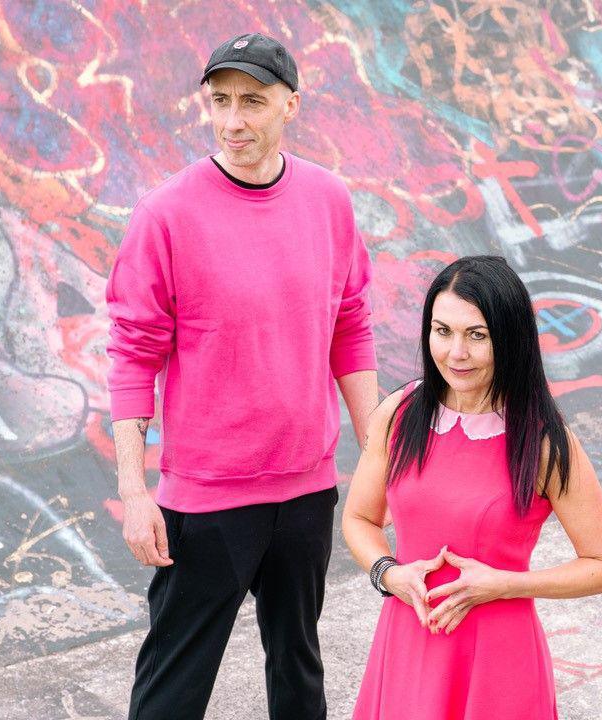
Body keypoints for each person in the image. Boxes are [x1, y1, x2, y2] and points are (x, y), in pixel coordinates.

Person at [105, 32, 377, 720]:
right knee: (173, 686)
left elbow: (350, 326)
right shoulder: (165, 214)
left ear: (291, 105)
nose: (233, 120)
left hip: (307, 489)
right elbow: (133, 357)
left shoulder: (328, 200)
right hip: (205, 501)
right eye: (219, 101)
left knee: (299, 670)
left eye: (253, 101)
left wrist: (377, 455)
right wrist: (136, 492)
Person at [342, 255, 602, 720]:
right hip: (409, 641)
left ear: (509, 339)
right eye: (443, 331)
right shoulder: (399, 412)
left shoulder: (543, 440)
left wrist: (502, 585)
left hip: (499, 657)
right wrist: (389, 573)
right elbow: (360, 518)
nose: (456, 353)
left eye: (477, 335)